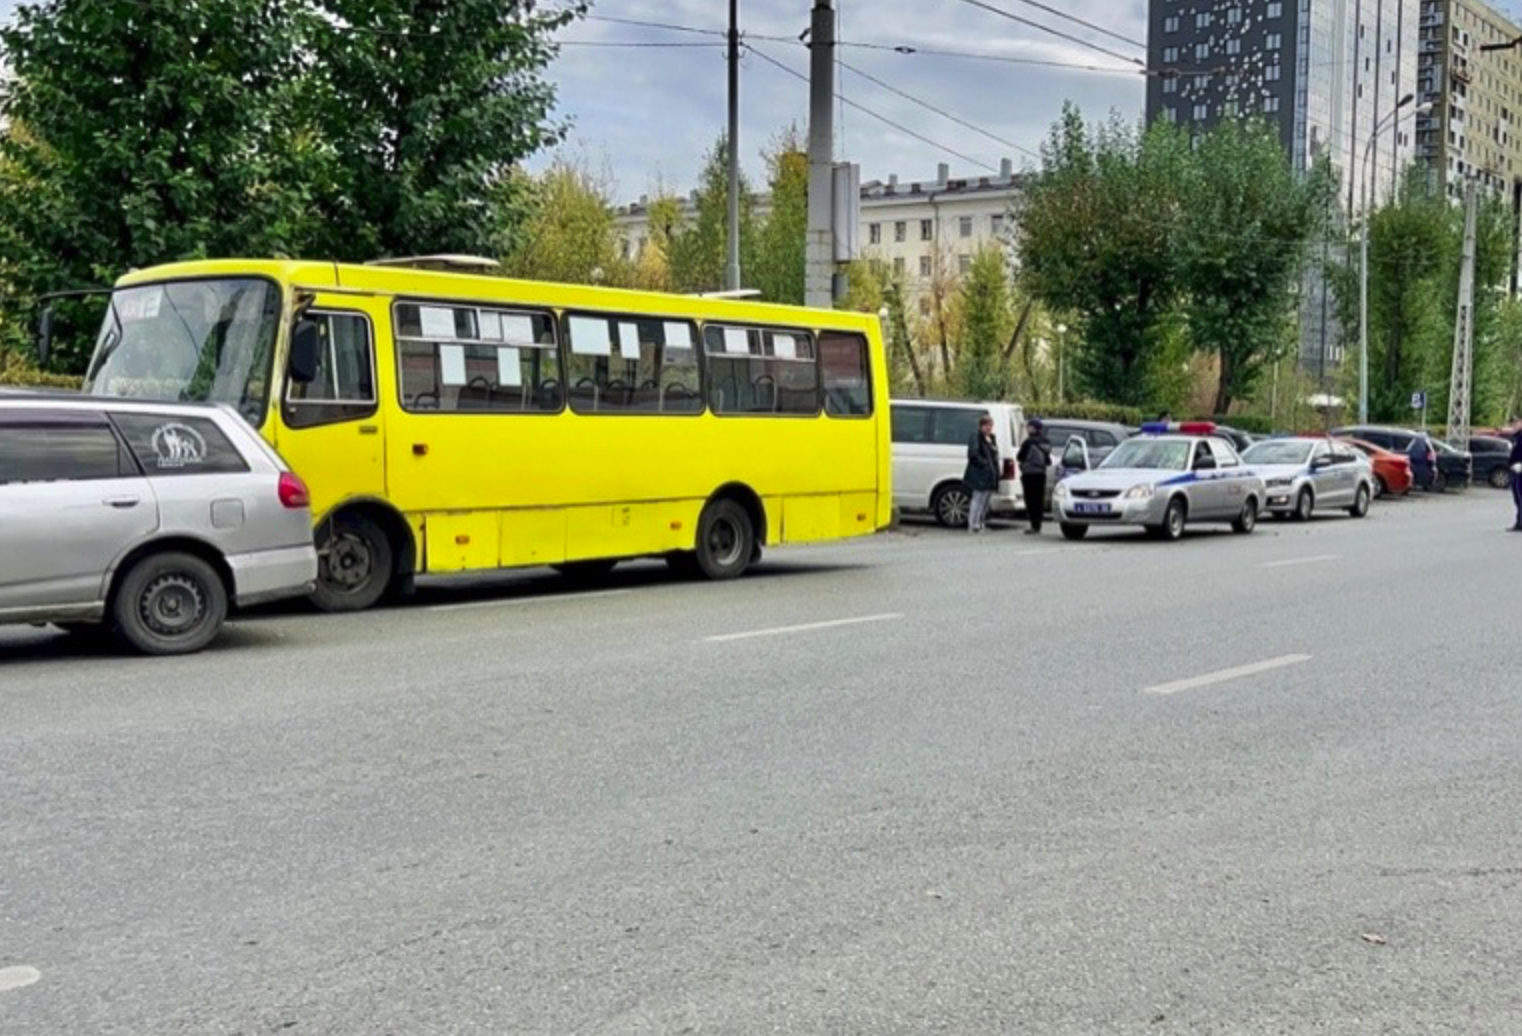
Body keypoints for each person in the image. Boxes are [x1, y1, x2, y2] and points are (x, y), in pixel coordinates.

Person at [964, 412, 1000, 533]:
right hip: (979, 474)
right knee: (978, 499)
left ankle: (980, 523)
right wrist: (985, 464)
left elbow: (994, 455)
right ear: (981, 426)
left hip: (990, 474)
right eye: (987, 425)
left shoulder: (991, 438)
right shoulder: (976, 437)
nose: (989, 428)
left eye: (991, 425)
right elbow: (973, 455)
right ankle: (973, 524)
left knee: (985, 500)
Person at [1016, 418, 1052, 535]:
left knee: (1030, 500)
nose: (1027, 429)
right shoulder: (1046, 442)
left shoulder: (1028, 442)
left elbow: (1020, 457)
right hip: (1041, 473)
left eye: (1029, 427)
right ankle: (1038, 524)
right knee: (1039, 500)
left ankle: (1033, 525)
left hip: (1029, 473)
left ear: (1033, 428)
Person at [1508, 416, 1522, 532]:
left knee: (1521, 497)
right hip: (1515, 469)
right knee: (1517, 498)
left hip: (1520, 469)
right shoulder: (1515, 437)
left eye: (1516, 423)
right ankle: (1519, 522)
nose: (1513, 426)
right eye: (1512, 424)